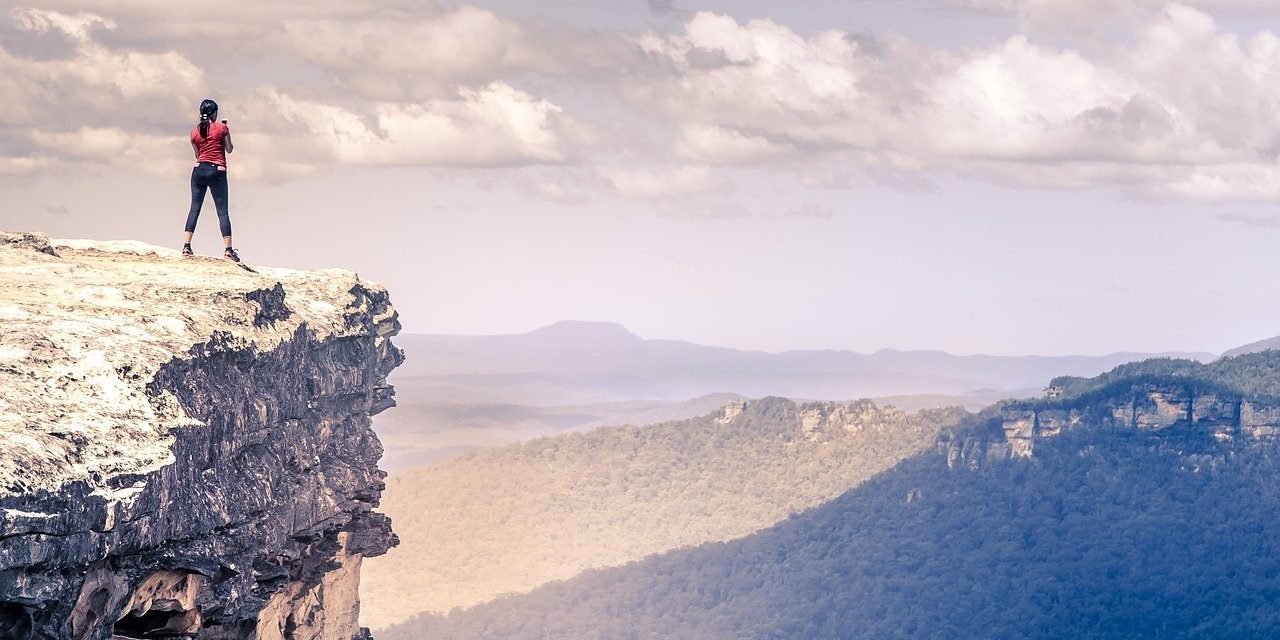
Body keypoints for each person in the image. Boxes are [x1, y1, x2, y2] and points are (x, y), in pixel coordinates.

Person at [182, 98, 240, 262]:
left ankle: (186, 247)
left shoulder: (194, 132)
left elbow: (198, 155)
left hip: (199, 170)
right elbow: (229, 149)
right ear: (215, 113)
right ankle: (228, 250)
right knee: (222, 211)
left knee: (194, 208)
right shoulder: (222, 128)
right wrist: (226, 131)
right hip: (217, 171)